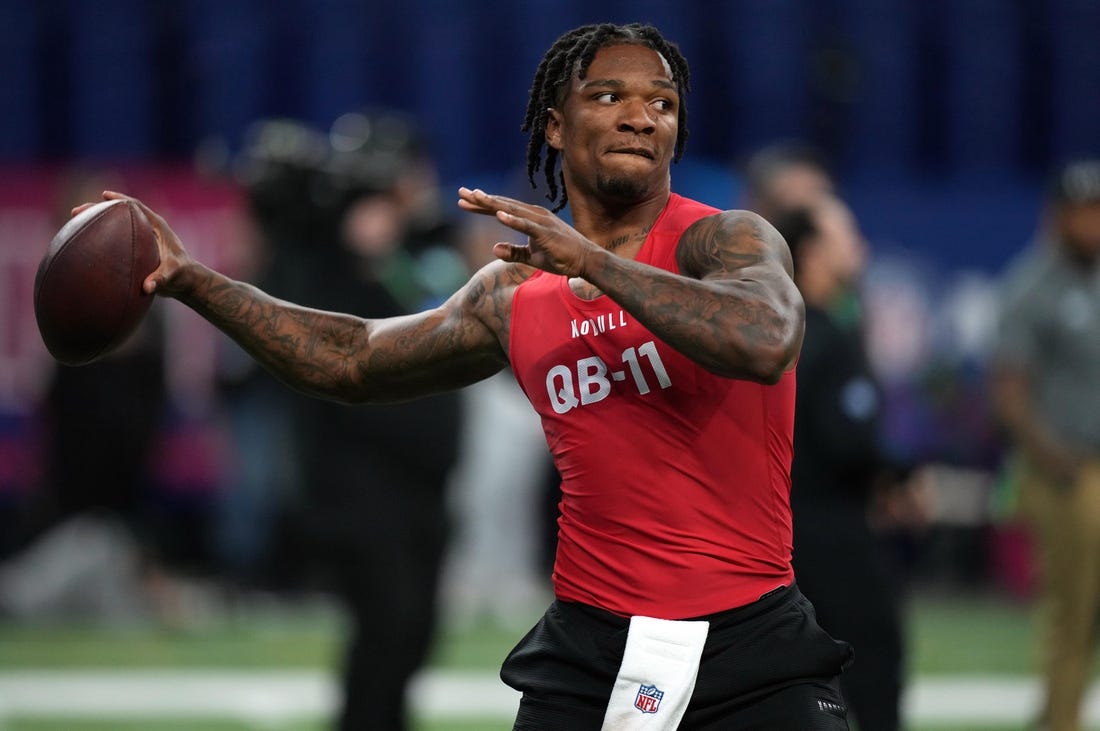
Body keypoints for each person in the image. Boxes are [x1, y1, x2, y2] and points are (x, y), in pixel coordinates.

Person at [75, 22, 852, 729]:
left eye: (662, 102)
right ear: (555, 124)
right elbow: (352, 358)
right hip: (589, 648)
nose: (641, 116)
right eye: (608, 95)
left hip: (749, 640)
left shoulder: (723, 242)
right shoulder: (513, 293)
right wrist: (193, 281)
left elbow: (767, 336)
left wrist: (593, 262)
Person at [773, 196, 920, 731]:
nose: (858, 247)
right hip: (831, 527)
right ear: (813, 253)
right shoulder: (827, 334)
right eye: (845, 236)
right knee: (874, 658)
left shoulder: (773, 328)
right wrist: (898, 477)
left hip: (776, 528)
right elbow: (848, 441)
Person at [990, 158, 1100, 731]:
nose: (1093, 223)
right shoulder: (1033, 285)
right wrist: (1056, 460)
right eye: (1083, 211)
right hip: (1068, 469)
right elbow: (1009, 390)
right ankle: (1062, 721)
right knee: (1074, 610)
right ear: (1058, 217)